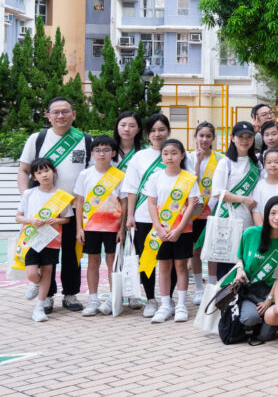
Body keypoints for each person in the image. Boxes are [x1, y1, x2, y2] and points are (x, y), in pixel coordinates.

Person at [18, 97, 89, 312]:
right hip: (42, 211)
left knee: (71, 253)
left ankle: (70, 294)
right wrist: (26, 198)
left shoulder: (85, 139)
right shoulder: (37, 138)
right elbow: (23, 170)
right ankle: (46, 296)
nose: (61, 116)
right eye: (55, 112)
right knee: (43, 254)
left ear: (74, 114)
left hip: (73, 209)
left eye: (65, 111)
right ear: (48, 116)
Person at [141, 139, 202, 323]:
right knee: (164, 267)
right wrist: (158, 227)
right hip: (161, 231)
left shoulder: (189, 178)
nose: (170, 157)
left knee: (181, 267)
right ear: (162, 156)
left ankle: (182, 305)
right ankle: (166, 304)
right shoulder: (155, 177)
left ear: (182, 155)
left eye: (174, 153)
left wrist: (180, 228)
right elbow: (151, 203)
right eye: (166, 153)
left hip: (182, 231)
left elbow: (192, 205)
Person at [122, 113, 173, 316]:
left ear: (168, 131)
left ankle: (168, 299)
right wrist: (130, 215)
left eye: (161, 130)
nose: (157, 134)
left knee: (171, 260)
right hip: (143, 217)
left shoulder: (178, 152)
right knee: (147, 260)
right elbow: (132, 188)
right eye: (153, 130)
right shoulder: (139, 157)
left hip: (171, 217)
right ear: (147, 134)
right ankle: (151, 299)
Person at [15, 159, 74, 321]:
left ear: (54, 172)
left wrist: (57, 221)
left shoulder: (61, 196)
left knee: (48, 272)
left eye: (46, 170)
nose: (44, 175)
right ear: (34, 177)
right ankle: (35, 284)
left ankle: (39, 308)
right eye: (39, 173)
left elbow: (67, 219)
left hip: (52, 240)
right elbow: (18, 217)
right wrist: (31, 220)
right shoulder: (29, 194)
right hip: (31, 240)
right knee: (32, 273)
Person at [227, 197, 278, 342]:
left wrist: (269, 300)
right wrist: (239, 270)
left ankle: (274, 321)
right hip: (249, 290)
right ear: (266, 214)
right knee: (250, 317)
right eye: (273, 213)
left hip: (272, 293)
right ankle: (253, 321)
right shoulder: (251, 233)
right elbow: (239, 258)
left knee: (265, 336)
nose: (277, 218)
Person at [73, 136, 124, 316]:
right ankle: (93, 300)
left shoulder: (120, 176)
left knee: (112, 263)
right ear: (92, 153)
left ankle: (112, 299)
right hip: (90, 227)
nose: (101, 154)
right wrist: (79, 228)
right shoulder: (85, 174)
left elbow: (124, 203)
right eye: (98, 150)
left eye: (106, 150)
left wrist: (122, 228)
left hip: (113, 228)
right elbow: (79, 202)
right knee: (93, 262)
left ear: (114, 152)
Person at [209, 121, 261, 282]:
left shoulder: (256, 163)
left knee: (244, 261)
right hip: (228, 218)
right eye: (240, 137)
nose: (244, 140)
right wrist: (242, 199)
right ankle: (223, 298)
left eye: (248, 137)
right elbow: (217, 192)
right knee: (226, 261)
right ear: (232, 138)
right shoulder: (226, 162)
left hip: (248, 220)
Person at [187, 122, 223, 302]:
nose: (204, 139)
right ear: (195, 137)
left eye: (208, 136)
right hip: (193, 212)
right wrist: (198, 162)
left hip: (213, 210)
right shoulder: (187, 157)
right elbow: (189, 183)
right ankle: (199, 289)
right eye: (201, 135)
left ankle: (212, 286)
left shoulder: (220, 158)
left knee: (212, 251)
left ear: (213, 138)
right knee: (195, 250)